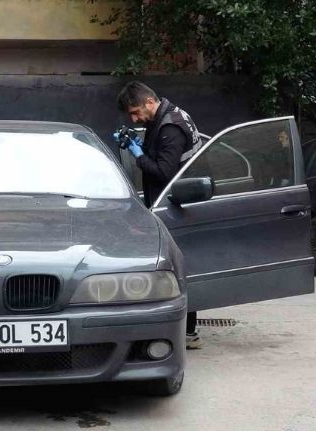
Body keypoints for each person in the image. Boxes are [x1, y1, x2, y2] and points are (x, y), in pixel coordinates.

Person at [116, 81, 204, 349]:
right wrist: (136, 139)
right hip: (174, 203)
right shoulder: (168, 116)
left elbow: (164, 172)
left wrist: (138, 155)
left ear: (149, 102)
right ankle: (186, 330)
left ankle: (187, 332)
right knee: (178, 266)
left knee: (175, 267)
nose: (134, 118)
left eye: (135, 112)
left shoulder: (170, 128)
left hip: (175, 206)